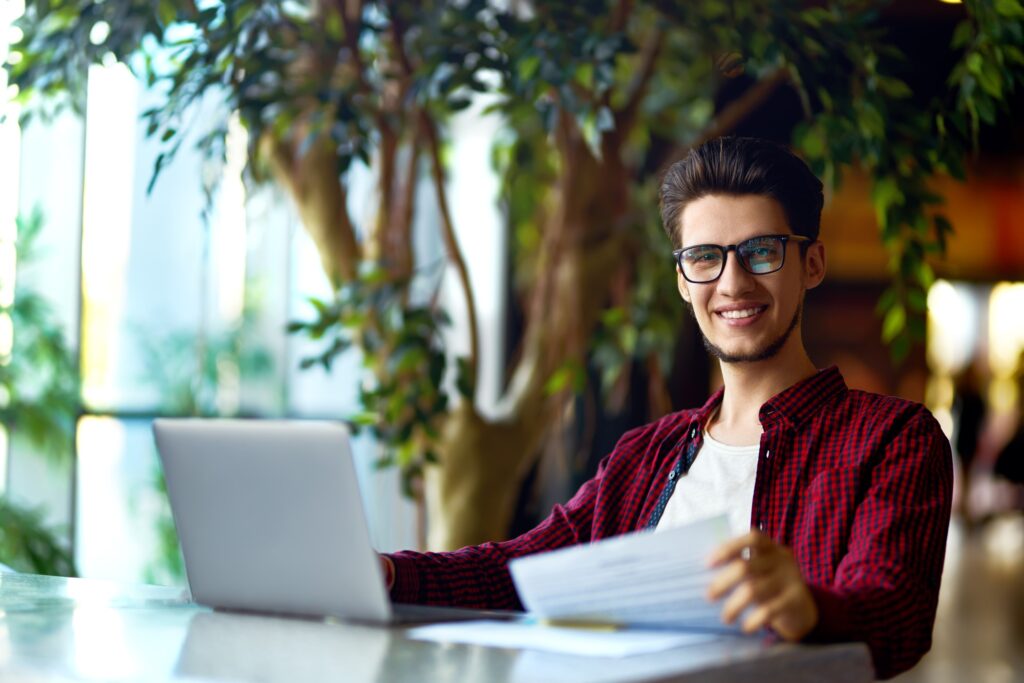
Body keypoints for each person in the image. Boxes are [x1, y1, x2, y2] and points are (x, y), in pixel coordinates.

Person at [380, 137, 952, 680]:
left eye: (761, 251)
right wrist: (387, 574)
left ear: (812, 264)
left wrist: (809, 609)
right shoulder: (646, 455)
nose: (733, 282)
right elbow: (516, 574)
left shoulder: (893, 438)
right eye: (705, 257)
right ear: (683, 279)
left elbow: (896, 613)